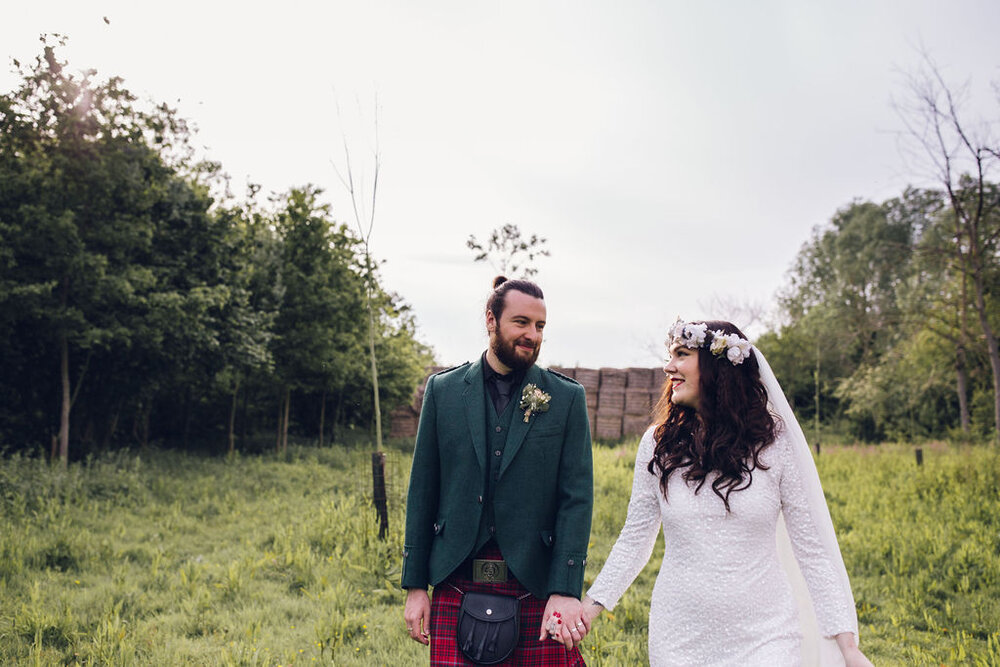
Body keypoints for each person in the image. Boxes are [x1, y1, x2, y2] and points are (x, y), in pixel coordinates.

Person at [583, 320, 873, 667]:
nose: (668, 366)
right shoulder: (658, 445)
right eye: (669, 355)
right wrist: (588, 609)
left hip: (768, 635)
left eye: (681, 354)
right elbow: (635, 539)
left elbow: (811, 550)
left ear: (718, 366)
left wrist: (848, 647)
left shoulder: (775, 444)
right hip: (680, 634)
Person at [402, 276, 594, 665]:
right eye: (521, 322)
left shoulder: (566, 398)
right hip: (455, 576)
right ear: (491, 320)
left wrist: (565, 589)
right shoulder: (444, 391)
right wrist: (415, 585)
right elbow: (423, 490)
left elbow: (576, 500)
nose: (532, 335)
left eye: (540, 326)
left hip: (535, 581)